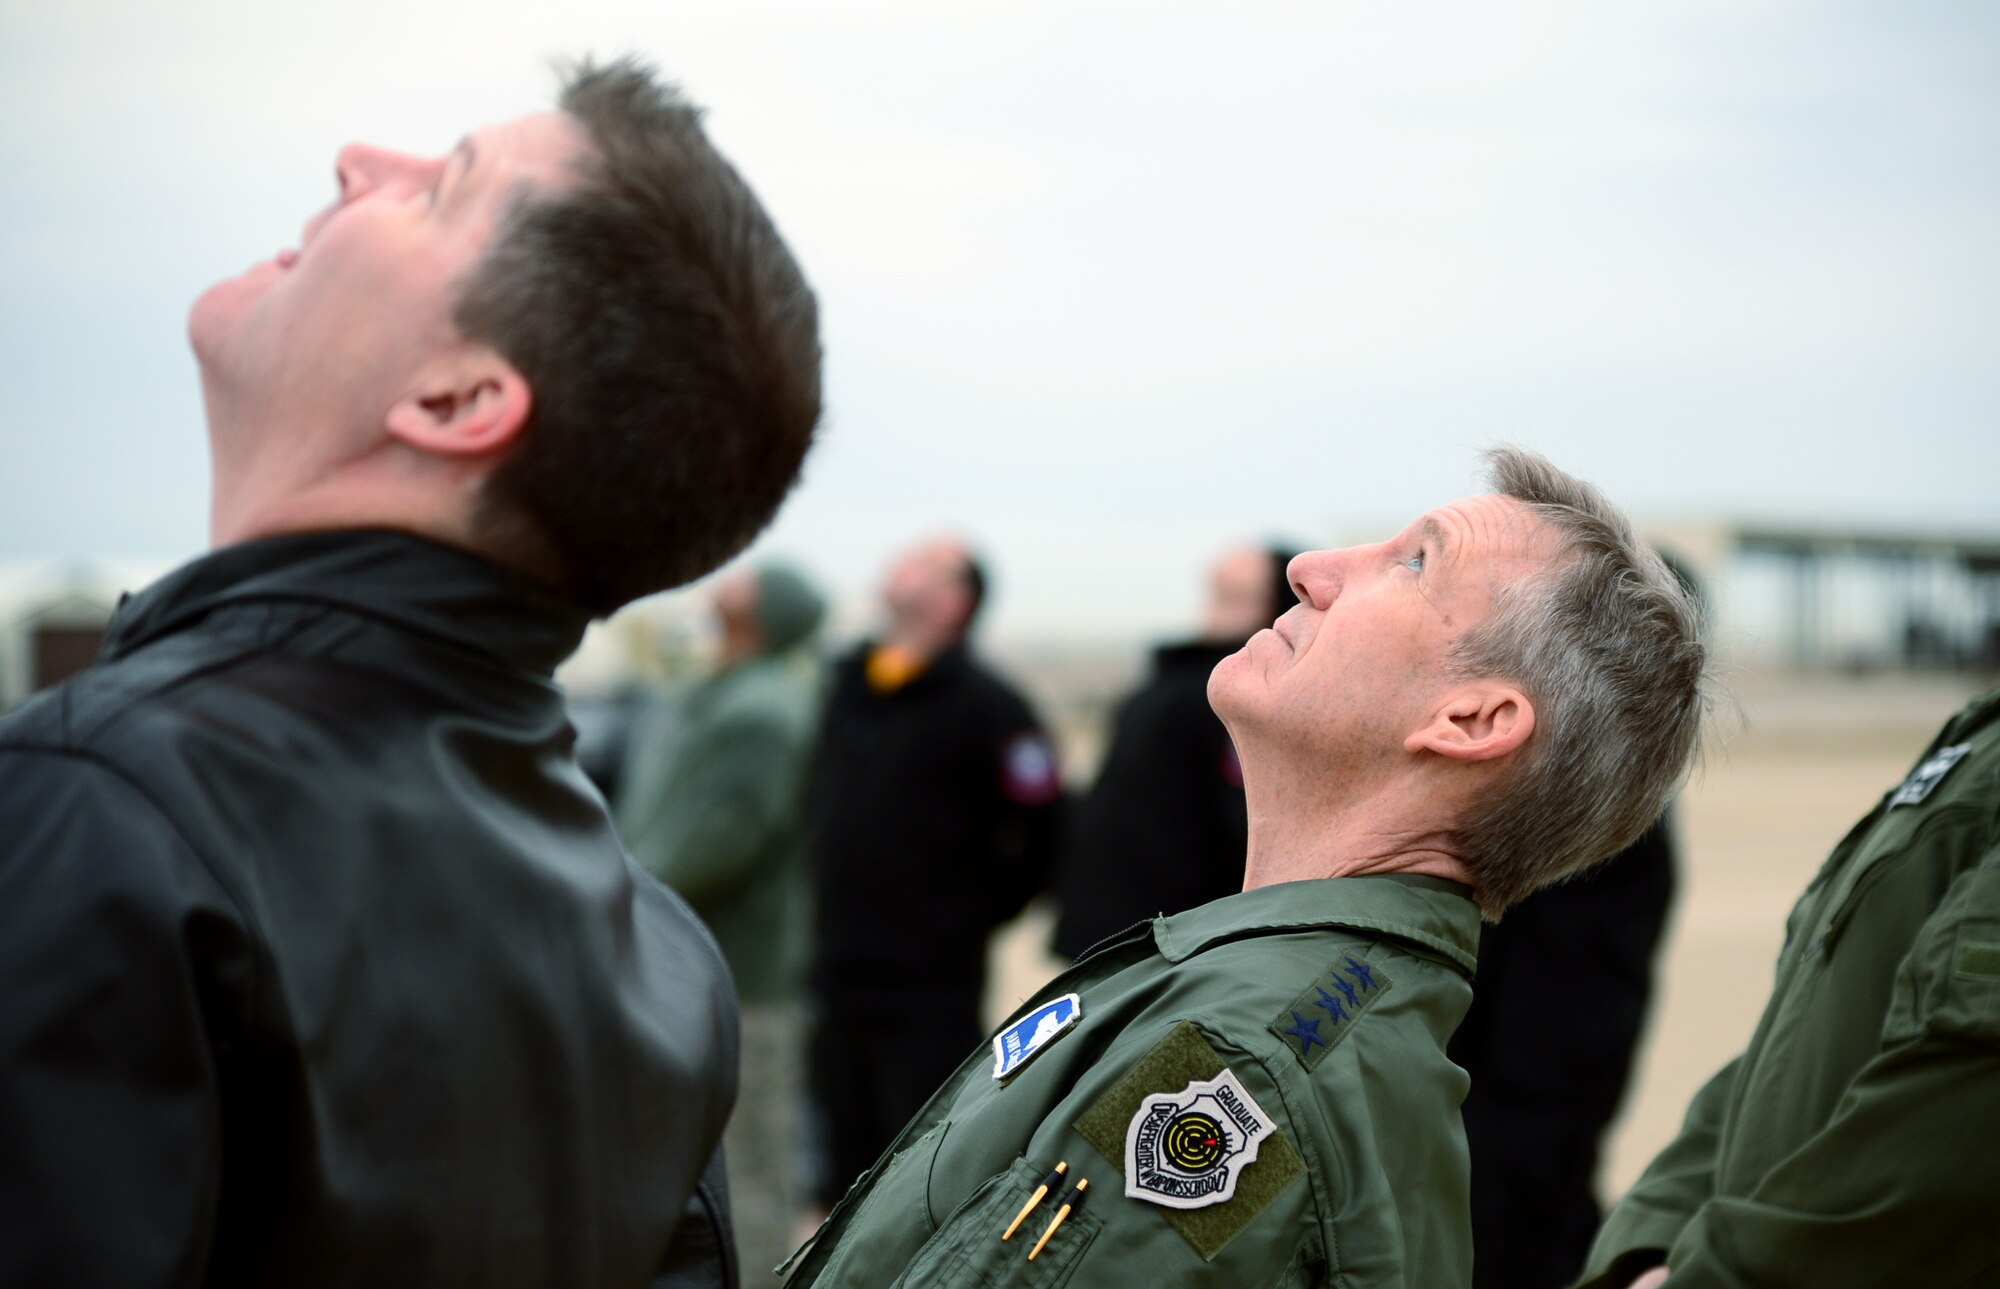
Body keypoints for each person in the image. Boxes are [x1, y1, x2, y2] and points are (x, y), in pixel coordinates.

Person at [0, 58, 820, 1287]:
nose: (355, 159)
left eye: (440, 188)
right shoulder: (657, 951)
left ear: (457, 398)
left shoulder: (103, 810)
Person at [780, 448, 1708, 1288]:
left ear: (1470, 721)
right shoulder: (1277, 1008)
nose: (1311, 568)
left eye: (1416, 562)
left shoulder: (1239, 1068)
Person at [1577, 681, 2000, 1289]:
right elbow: (1793, 1049)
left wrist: (1708, 1274)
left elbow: (1956, 1137)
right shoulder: (1977, 740)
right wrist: (1650, 1240)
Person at [804, 537, 1066, 1211]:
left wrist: (976, 911)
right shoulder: (849, 685)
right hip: (836, 971)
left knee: (918, 1179)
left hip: (930, 986)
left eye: (922, 562)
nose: (897, 564)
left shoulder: (991, 707)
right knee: (842, 1179)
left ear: (955, 601)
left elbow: (1045, 827)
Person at [617, 562, 829, 1282]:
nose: (728, 581)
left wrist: (603, 899)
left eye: (752, 580)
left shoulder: (761, 711)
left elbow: (709, 847)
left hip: (739, 976)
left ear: (770, 610)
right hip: (684, 967)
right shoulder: (718, 692)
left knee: (750, 1164)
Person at [1053, 543, 1297, 959]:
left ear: (1275, 611)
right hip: (1110, 934)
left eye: (1236, 596)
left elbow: (1249, 826)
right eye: (1217, 593)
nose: (1215, 609)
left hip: (1174, 944)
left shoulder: (1244, 699)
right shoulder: (1169, 686)